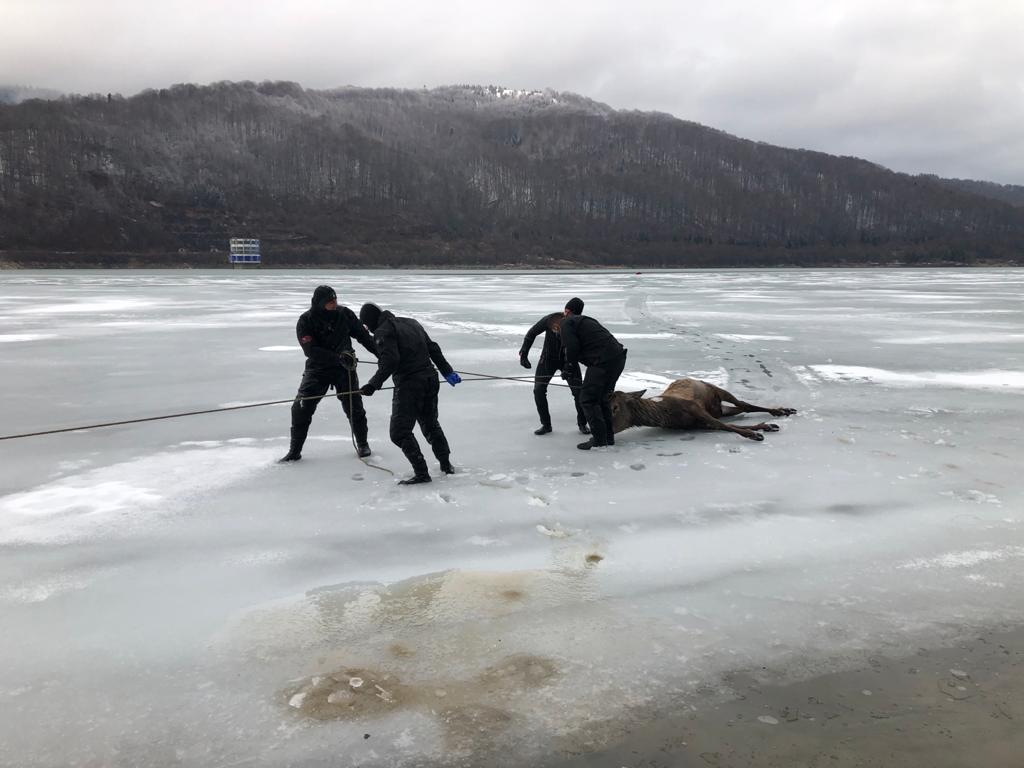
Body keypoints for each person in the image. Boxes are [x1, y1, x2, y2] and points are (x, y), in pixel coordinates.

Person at [358, 302, 461, 485]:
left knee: (399, 432)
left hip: (410, 385)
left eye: (367, 326)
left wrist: (373, 384)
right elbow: (433, 348)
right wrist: (447, 372)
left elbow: (391, 360)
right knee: (430, 424)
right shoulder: (411, 323)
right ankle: (446, 465)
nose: (369, 331)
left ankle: (422, 473)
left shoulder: (382, 331)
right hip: (430, 379)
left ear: (370, 322)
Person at [279, 285, 377, 463]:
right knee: (301, 408)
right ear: (320, 303)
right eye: (330, 302)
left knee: (355, 408)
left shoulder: (345, 314)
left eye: (335, 300)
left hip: (345, 370)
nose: (334, 304)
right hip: (318, 370)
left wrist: (382, 355)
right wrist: (337, 357)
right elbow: (310, 350)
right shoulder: (306, 320)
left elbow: (363, 336)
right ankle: (295, 450)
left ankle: (362, 444)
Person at [559, 297, 627, 450]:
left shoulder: (567, 322)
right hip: (618, 358)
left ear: (567, 311)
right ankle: (608, 437)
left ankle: (599, 439)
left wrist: (569, 367)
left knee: (588, 399)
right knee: (602, 399)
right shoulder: (587, 321)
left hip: (603, 362)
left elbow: (571, 347)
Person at [519, 311, 589, 436]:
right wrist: (524, 353)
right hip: (547, 360)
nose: (558, 332)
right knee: (539, 390)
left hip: (568, 360)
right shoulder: (549, 319)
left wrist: (571, 365)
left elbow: (582, 346)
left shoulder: (576, 324)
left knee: (579, 391)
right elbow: (532, 333)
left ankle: (582, 423)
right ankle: (546, 425)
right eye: (555, 330)